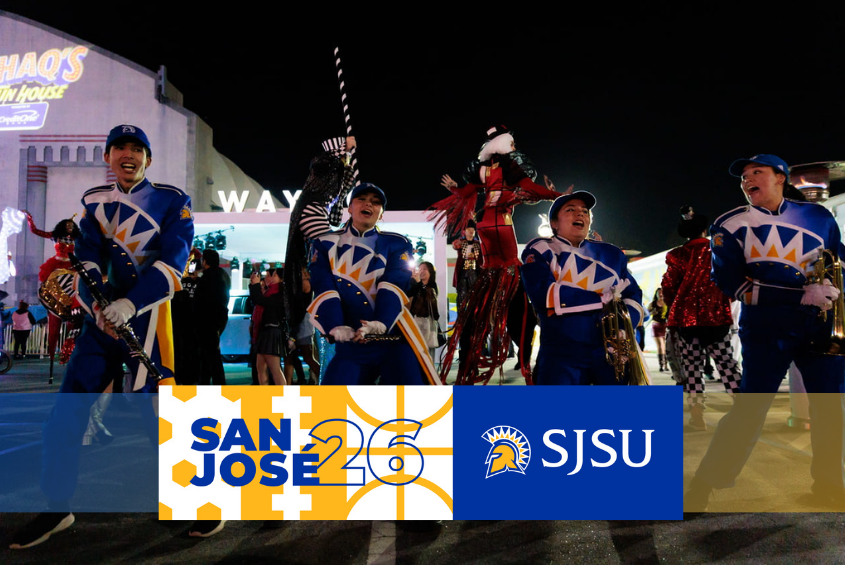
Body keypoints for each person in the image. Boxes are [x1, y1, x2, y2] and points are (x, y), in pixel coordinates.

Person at [10, 124, 198, 549]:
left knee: (159, 419)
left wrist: (131, 304)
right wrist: (97, 306)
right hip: (101, 327)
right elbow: (87, 258)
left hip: (149, 323)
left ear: (147, 159)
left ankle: (198, 503)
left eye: (136, 149)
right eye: (119, 149)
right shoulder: (92, 202)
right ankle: (57, 506)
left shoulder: (172, 200)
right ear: (108, 157)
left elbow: (174, 262)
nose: (127, 155)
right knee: (66, 415)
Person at [685, 154, 845, 511]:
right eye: (743, 176)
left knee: (830, 409)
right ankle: (705, 483)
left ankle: (831, 483)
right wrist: (800, 293)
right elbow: (731, 283)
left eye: (756, 172)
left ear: (780, 178)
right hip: (765, 329)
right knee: (749, 410)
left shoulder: (819, 217)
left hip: (818, 326)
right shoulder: (729, 223)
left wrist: (833, 294)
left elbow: (839, 263)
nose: (747, 180)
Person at [430, 125, 561, 384]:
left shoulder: (483, 170)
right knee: (512, 272)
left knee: (489, 278)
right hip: (502, 224)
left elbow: (466, 193)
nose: (514, 148)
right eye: (511, 144)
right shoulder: (511, 168)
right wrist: (558, 196)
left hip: (484, 224)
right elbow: (531, 188)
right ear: (504, 144)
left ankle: (467, 368)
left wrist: (455, 188)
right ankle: (526, 365)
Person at [307, 183, 438, 385]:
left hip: (393, 340)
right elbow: (324, 287)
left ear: (381, 213)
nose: (369, 203)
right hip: (350, 344)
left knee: (413, 404)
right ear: (349, 207)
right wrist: (335, 325)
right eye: (362, 199)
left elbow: (393, 284)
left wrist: (381, 323)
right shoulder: (325, 243)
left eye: (376, 202)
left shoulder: (397, 243)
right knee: (331, 407)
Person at [521, 191, 645, 385]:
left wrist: (624, 326)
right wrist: (601, 300)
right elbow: (543, 294)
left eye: (585, 212)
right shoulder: (541, 249)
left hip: (609, 353)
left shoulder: (612, 253)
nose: (580, 214)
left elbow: (632, 293)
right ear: (554, 223)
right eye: (571, 210)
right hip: (561, 354)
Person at [662, 206, 741, 430]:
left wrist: (676, 304)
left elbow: (669, 287)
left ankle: (697, 417)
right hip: (717, 317)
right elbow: (729, 280)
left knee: (692, 369)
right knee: (727, 364)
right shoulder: (717, 250)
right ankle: (745, 410)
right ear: (705, 230)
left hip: (686, 320)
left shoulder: (676, 255)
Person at [195, 249, 230, 385]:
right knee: (210, 354)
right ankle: (210, 381)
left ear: (205, 261)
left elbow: (202, 301)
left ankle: (214, 382)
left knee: (210, 355)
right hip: (218, 319)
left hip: (207, 321)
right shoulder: (222, 275)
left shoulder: (208, 277)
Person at [249, 268, 286, 386]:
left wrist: (255, 285)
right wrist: (254, 286)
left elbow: (260, 300)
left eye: (275, 275)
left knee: (275, 369)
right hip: (265, 331)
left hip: (272, 331)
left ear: (281, 279)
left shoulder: (280, 294)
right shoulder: (269, 291)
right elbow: (258, 300)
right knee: (260, 366)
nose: (271, 277)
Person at [284, 267, 320, 385]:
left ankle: (323, 379)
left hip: (302, 322)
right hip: (302, 322)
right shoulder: (307, 283)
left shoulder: (305, 283)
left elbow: (298, 301)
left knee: (306, 356)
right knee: (292, 356)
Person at [409, 261, 441, 361]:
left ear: (430, 272)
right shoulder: (415, 285)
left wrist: (418, 283)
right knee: (416, 347)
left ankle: (429, 372)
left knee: (428, 349)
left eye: (424, 269)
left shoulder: (433, 286)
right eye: (420, 268)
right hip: (416, 320)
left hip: (429, 321)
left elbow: (427, 296)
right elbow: (408, 294)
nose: (421, 271)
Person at [452, 222, 481, 311]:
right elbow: (455, 245)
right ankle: (461, 315)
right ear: (465, 231)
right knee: (462, 293)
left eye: (473, 230)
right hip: (463, 270)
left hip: (474, 269)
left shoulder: (478, 243)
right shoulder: (460, 242)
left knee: (475, 292)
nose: (471, 232)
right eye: (469, 230)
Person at [648, 288, 668, 372]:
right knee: (660, 345)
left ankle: (666, 364)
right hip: (656, 325)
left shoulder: (667, 303)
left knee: (665, 345)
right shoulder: (652, 304)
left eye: (662, 292)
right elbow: (646, 313)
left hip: (665, 325)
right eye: (659, 292)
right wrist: (652, 313)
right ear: (656, 294)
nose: (660, 294)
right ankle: (661, 364)